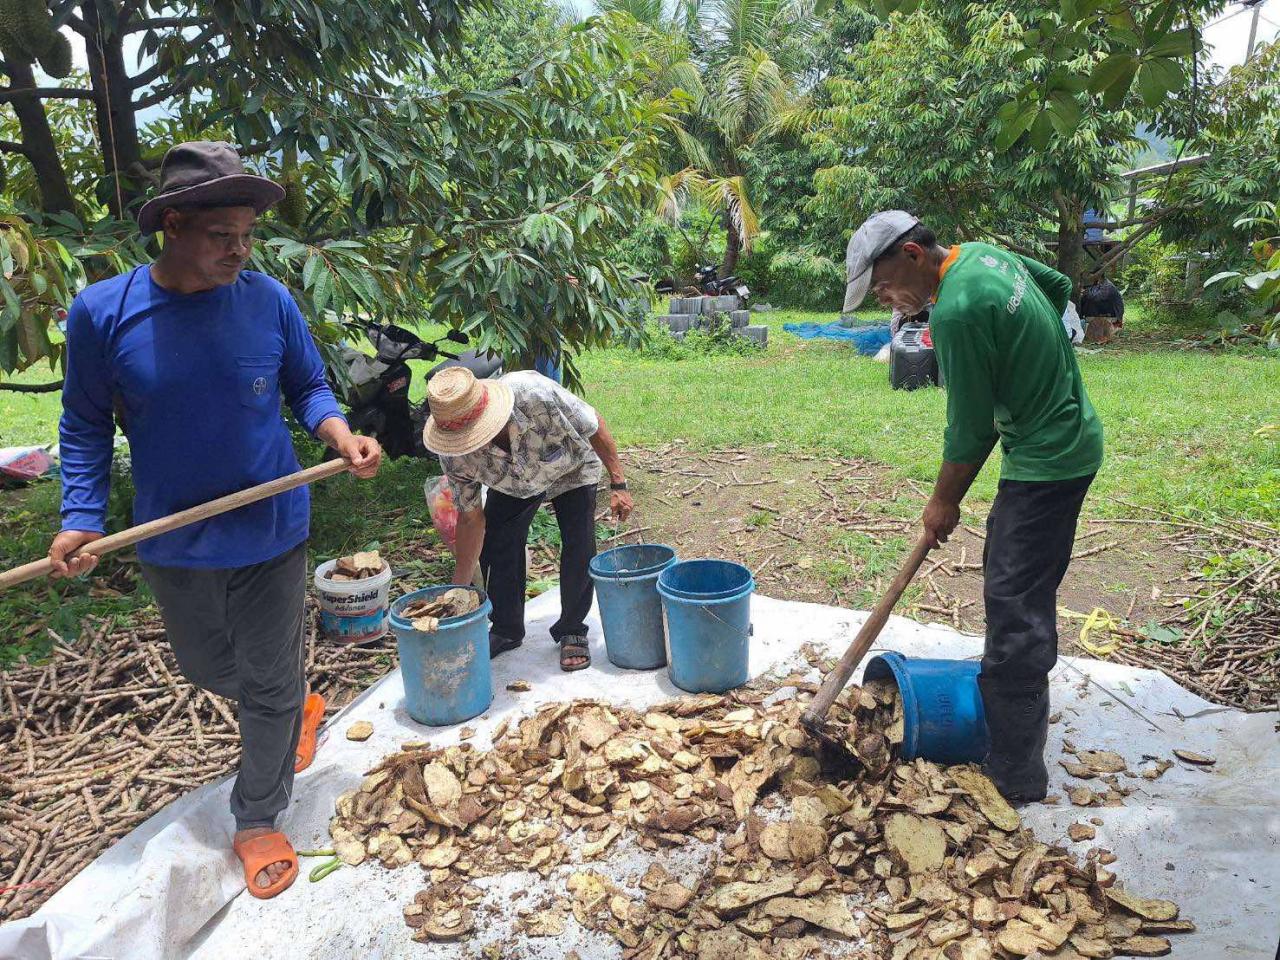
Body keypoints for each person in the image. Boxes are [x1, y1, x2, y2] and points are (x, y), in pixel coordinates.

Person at [48, 141, 382, 899]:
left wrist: (338, 434)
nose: (239, 250)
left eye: (247, 235)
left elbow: (308, 385)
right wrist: (81, 516)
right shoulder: (106, 313)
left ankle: (258, 815)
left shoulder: (267, 300)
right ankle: (289, 705)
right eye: (220, 235)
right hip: (174, 537)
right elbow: (85, 425)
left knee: (265, 678)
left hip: (272, 527)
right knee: (205, 667)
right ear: (172, 224)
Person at [843, 210, 1104, 805]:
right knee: (1012, 576)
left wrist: (941, 503)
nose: (886, 300)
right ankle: (1012, 720)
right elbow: (1059, 289)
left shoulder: (956, 312)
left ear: (912, 253)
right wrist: (1037, 368)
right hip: (1067, 434)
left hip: (1049, 459)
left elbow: (970, 429)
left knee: (1014, 604)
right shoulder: (985, 255)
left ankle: (1015, 772)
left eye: (884, 286)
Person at [422, 367, 632, 672]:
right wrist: (459, 590)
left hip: (571, 465)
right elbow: (470, 520)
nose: (471, 446)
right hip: (512, 482)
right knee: (496, 542)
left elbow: (594, 424)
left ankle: (572, 628)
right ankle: (506, 629)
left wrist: (619, 483)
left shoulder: (533, 393)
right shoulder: (453, 454)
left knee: (579, 541)